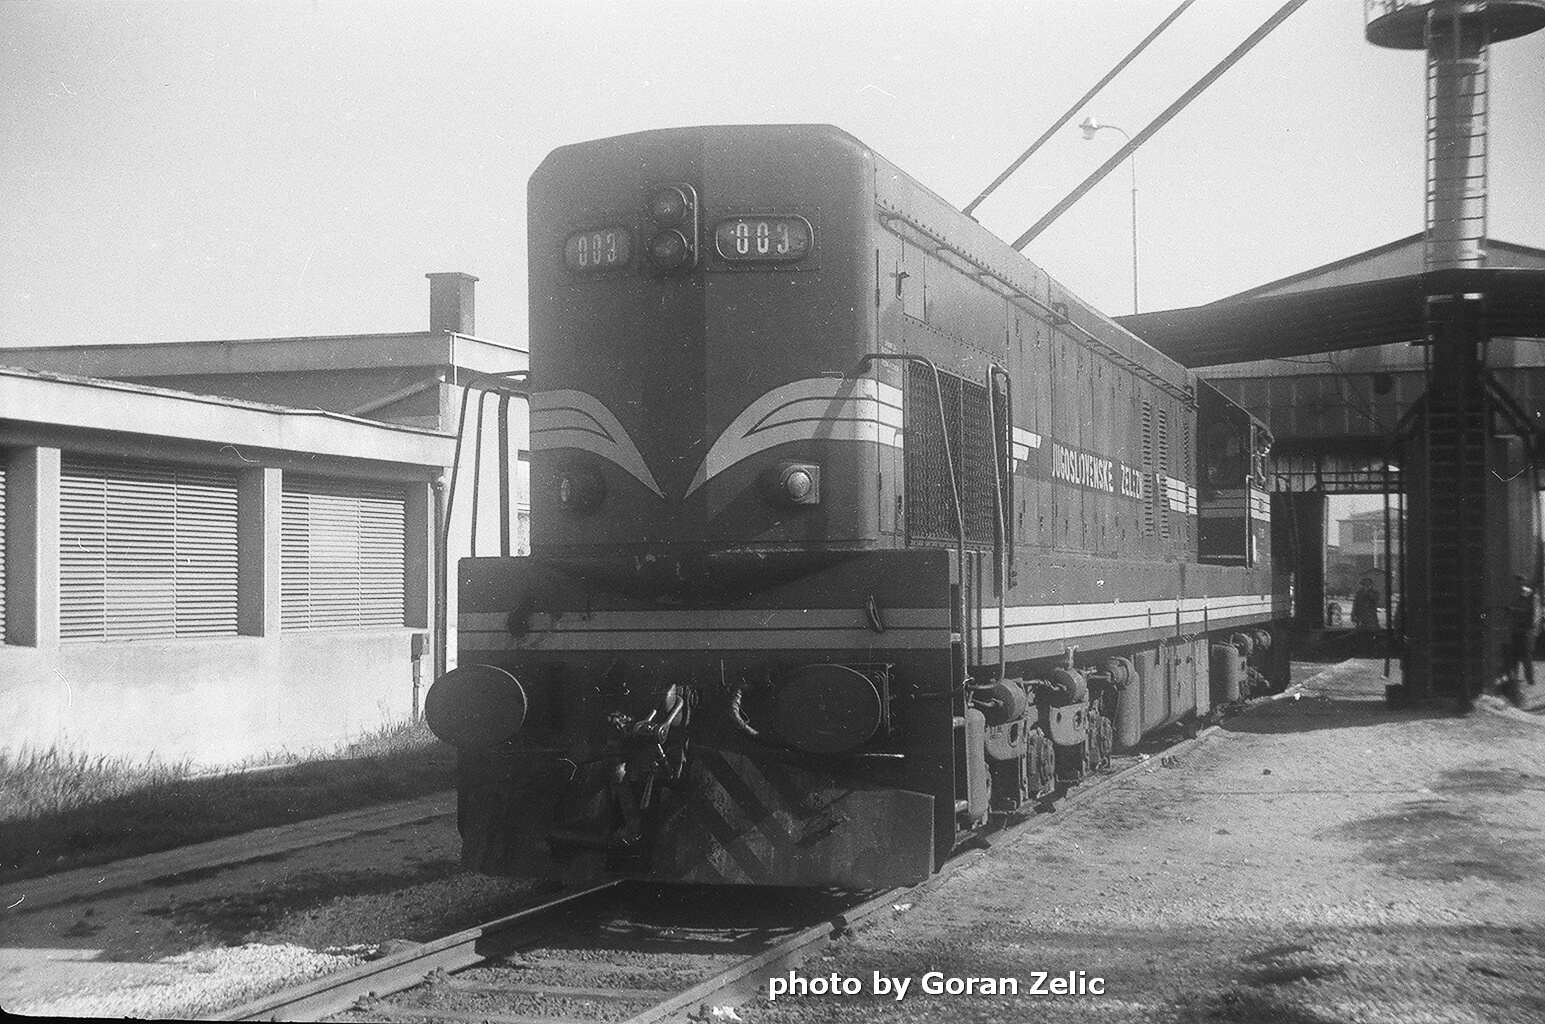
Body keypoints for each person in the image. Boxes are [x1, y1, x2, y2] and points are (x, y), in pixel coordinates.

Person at [1505, 575, 1538, 701]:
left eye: (1519, 583)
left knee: (1525, 656)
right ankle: (1515, 682)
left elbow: (1528, 612)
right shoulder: (1520, 595)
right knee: (1516, 656)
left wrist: (1513, 610)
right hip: (1518, 630)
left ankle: (1529, 681)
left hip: (1525, 631)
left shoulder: (1528, 595)